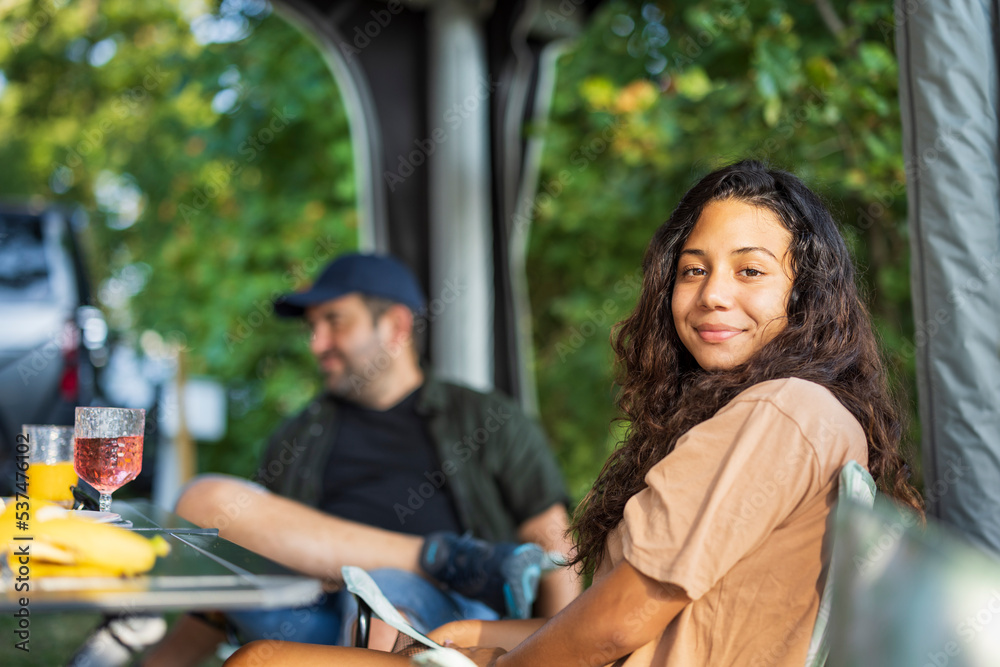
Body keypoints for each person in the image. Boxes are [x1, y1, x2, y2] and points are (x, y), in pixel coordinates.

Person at [223, 159, 924, 667]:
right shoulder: (789, 412)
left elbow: (616, 625)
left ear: (805, 295)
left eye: (750, 270)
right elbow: (606, 622)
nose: (712, 293)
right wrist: (472, 641)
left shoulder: (781, 410)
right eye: (693, 268)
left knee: (262, 662)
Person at [143, 253, 578, 666]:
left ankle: (427, 574)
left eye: (334, 322)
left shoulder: (486, 419)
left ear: (395, 326)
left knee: (384, 601)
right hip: (311, 615)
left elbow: (555, 544)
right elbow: (228, 588)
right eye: (312, 327)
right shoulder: (299, 436)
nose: (317, 344)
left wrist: (569, 658)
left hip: (443, 622)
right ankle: (446, 557)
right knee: (205, 498)